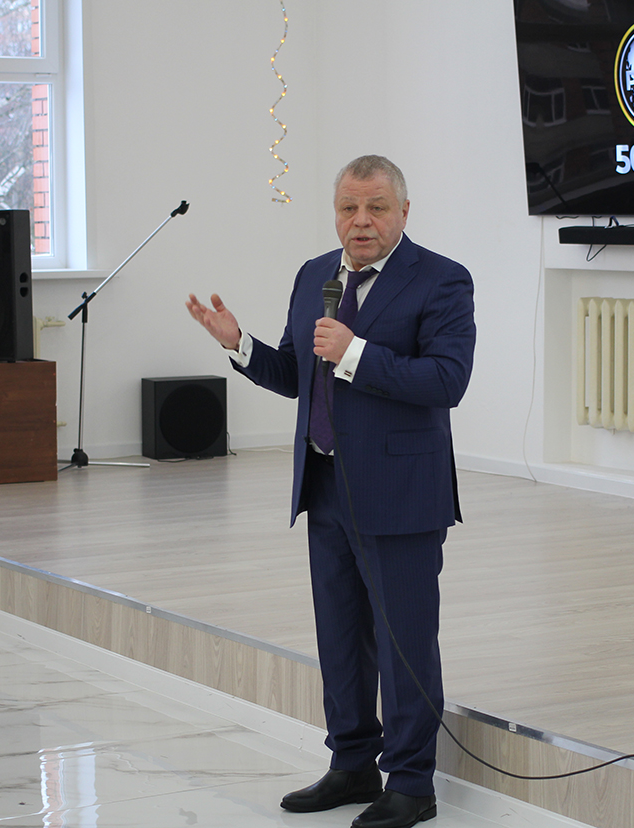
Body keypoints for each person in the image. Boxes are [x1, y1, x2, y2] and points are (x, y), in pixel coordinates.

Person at [186, 155, 475, 828]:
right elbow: (297, 374)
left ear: (404, 212)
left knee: (404, 644)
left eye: (376, 207)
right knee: (341, 639)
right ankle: (351, 764)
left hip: (401, 493)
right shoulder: (315, 275)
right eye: (349, 208)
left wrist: (355, 353)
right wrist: (240, 344)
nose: (361, 221)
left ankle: (412, 784)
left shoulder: (441, 279)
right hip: (326, 487)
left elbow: (447, 380)